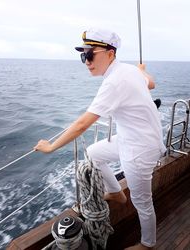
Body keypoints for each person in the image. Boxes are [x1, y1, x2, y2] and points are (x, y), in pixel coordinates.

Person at [34, 28, 166, 250]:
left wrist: (51, 147)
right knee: (93, 153)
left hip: (140, 149)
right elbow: (150, 83)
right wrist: (142, 71)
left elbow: (82, 124)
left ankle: (147, 244)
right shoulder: (128, 71)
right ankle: (116, 193)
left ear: (110, 54)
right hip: (130, 138)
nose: (86, 60)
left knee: (142, 202)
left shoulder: (114, 81)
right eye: (83, 55)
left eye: (90, 54)